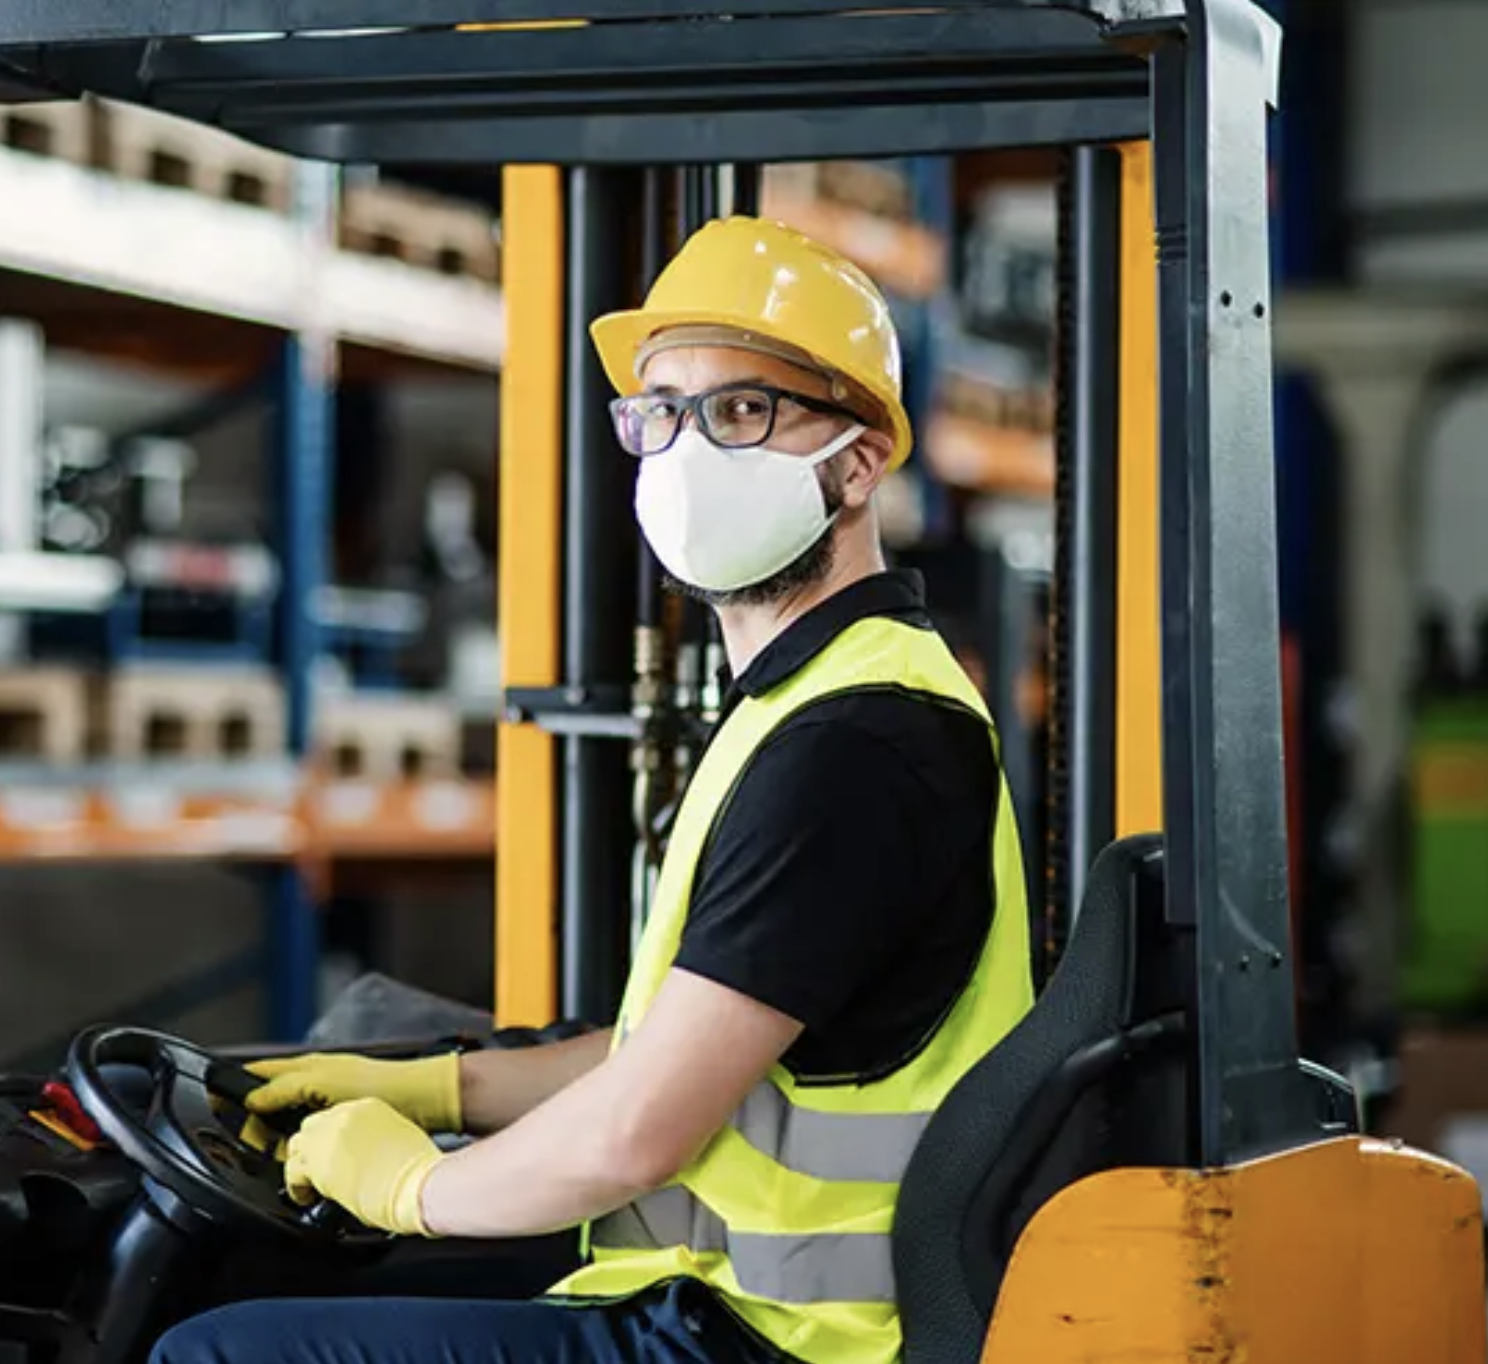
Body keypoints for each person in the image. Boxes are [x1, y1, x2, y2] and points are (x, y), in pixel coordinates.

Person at [151, 216, 1035, 1364]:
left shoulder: (856, 746)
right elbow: (667, 1053)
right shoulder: (803, 701)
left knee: (216, 1354)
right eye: (659, 414)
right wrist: (431, 1087)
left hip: (779, 1337)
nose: (685, 453)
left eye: (740, 411)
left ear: (859, 459)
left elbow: (634, 1132)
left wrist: (410, 1184)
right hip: (722, 1293)